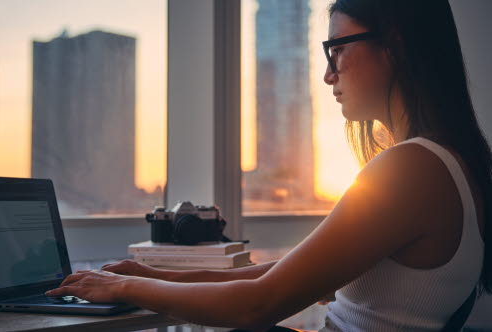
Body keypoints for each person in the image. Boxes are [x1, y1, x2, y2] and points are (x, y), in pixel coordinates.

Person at [45, 0, 491, 331]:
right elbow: (288, 276)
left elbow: (260, 303)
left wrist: (124, 289)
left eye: (336, 49)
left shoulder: (411, 168)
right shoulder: (445, 163)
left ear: (393, 46)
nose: (328, 74)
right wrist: (156, 275)